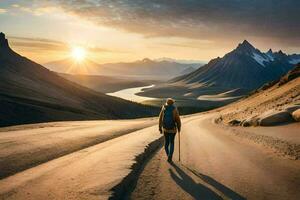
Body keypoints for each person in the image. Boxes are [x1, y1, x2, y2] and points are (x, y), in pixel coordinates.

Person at [159, 98, 181, 162]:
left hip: (165, 129)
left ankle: (168, 155)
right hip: (173, 129)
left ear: (167, 102)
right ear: (173, 103)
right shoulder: (174, 109)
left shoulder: (164, 108)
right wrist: (179, 127)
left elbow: (160, 119)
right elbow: (178, 120)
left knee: (166, 143)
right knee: (172, 142)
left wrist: (160, 128)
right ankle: (170, 156)